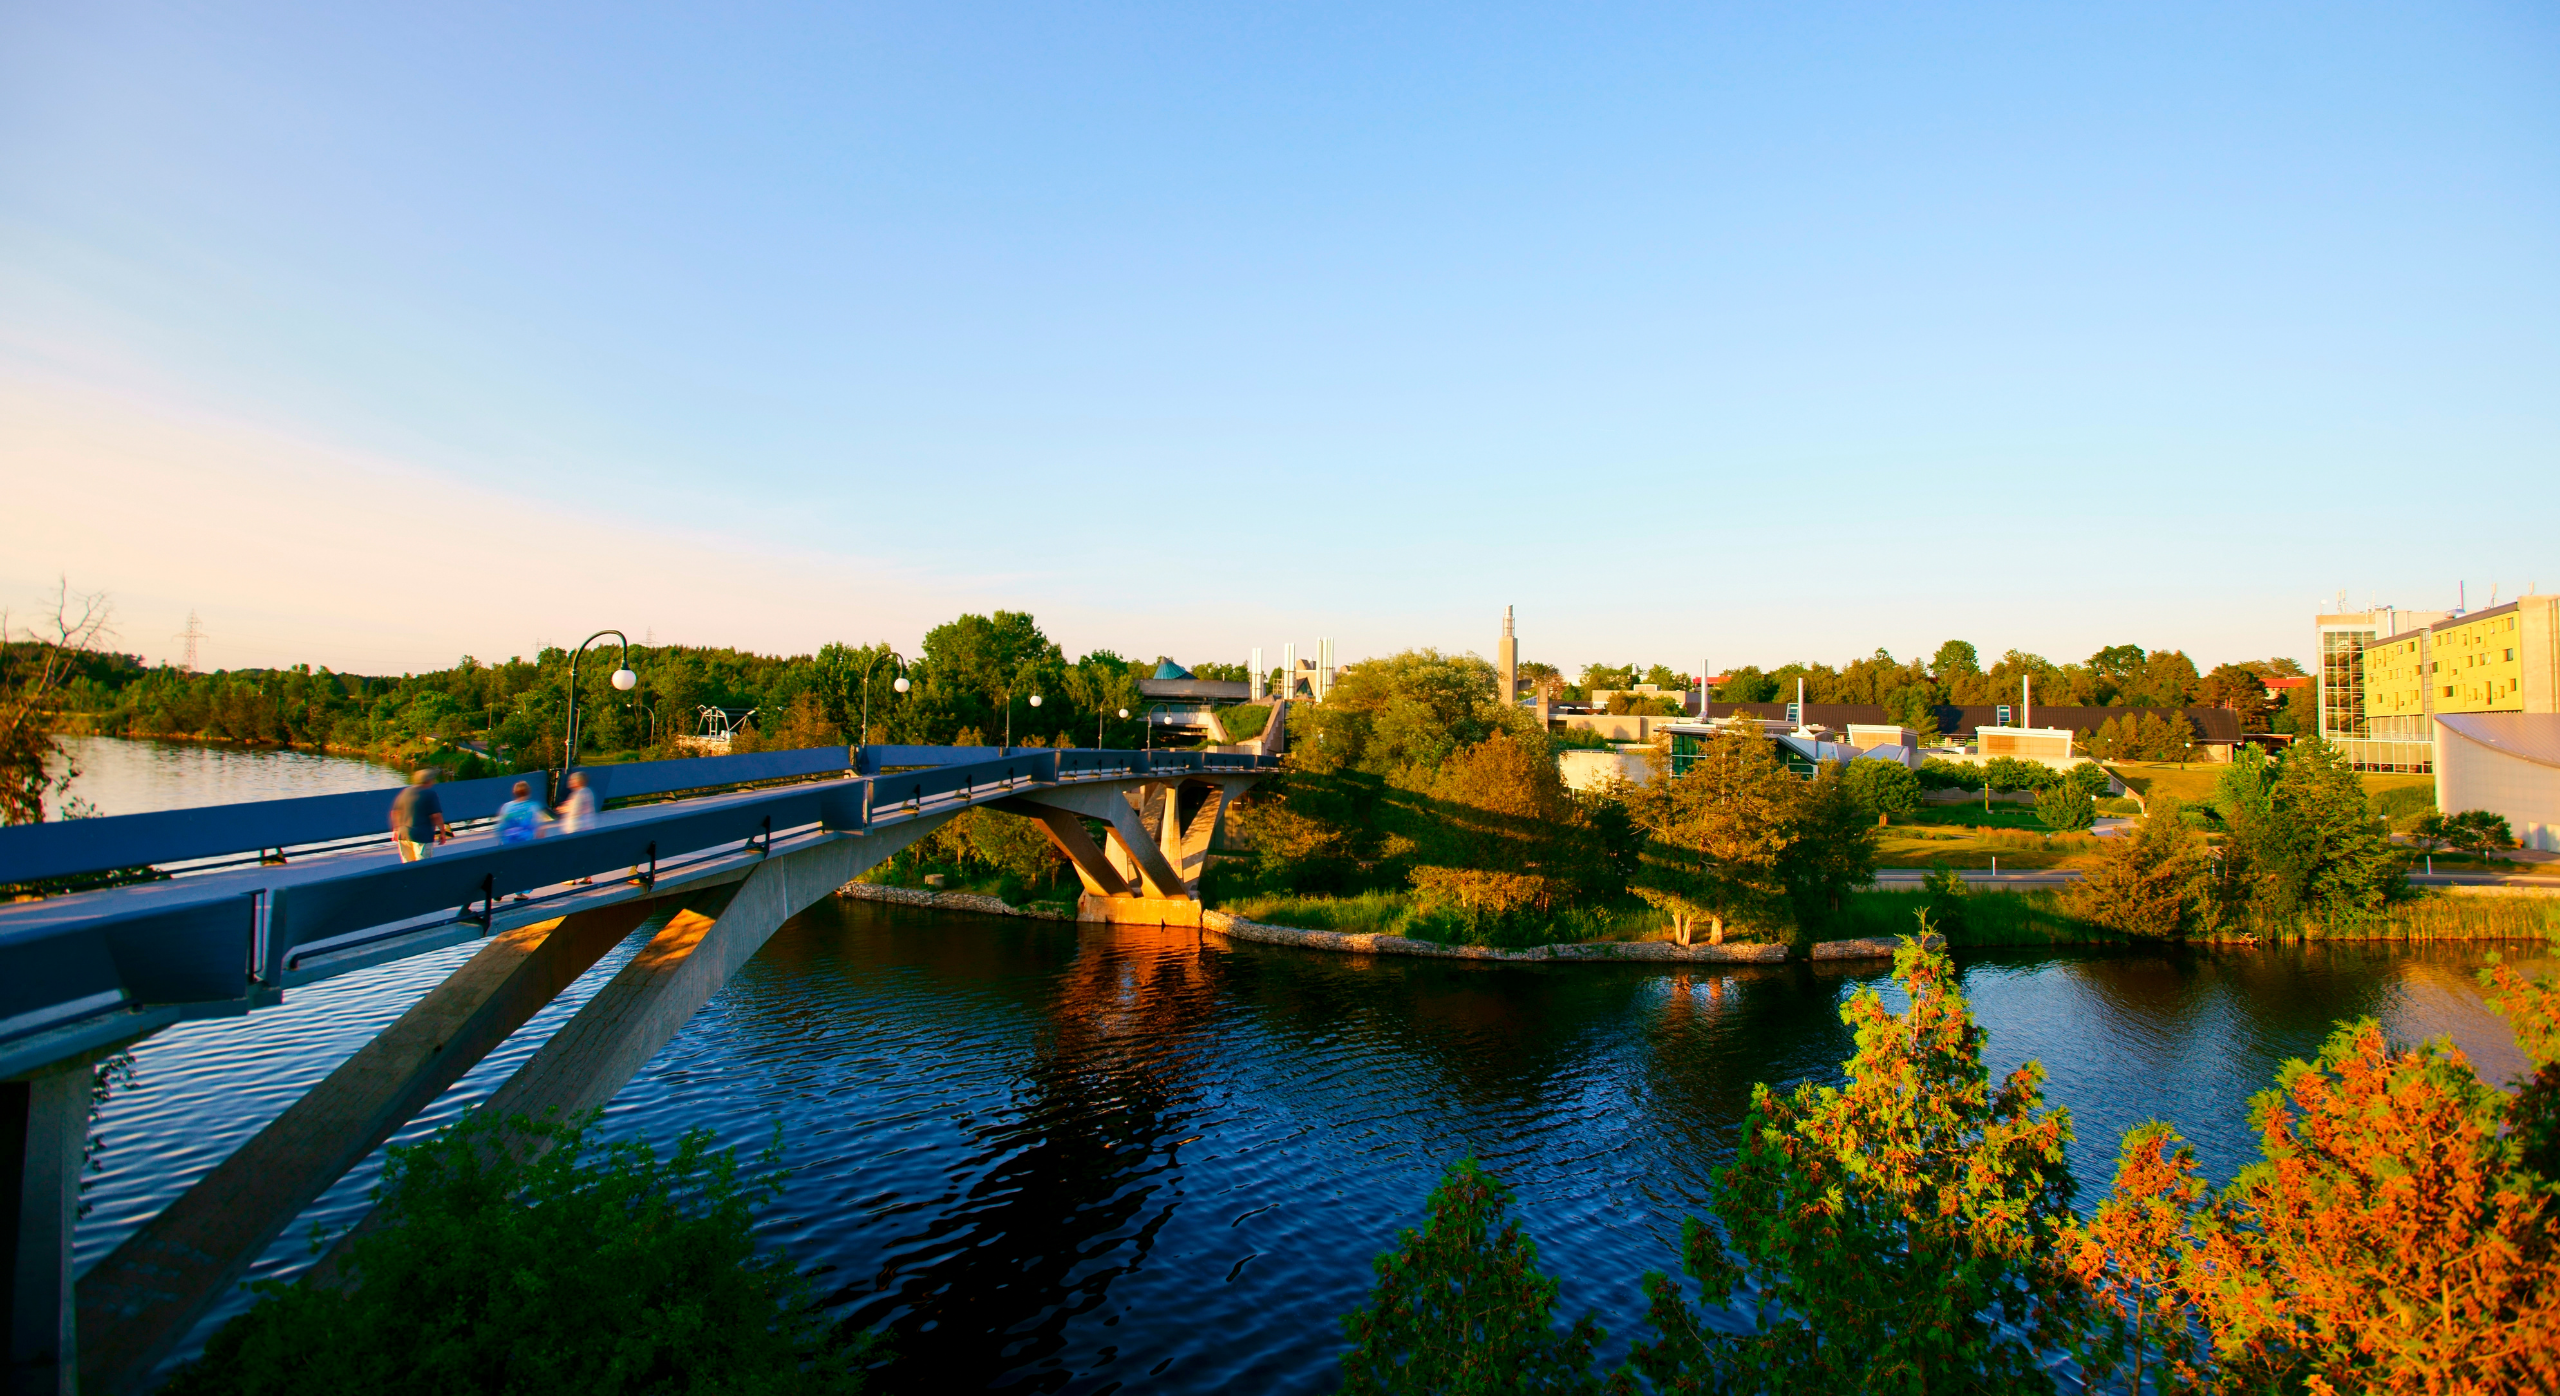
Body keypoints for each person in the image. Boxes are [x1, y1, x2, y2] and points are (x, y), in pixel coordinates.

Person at [390, 769, 450, 862]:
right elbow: (436, 815)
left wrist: (396, 829)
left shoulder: (405, 792)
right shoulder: (430, 794)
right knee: (422, 865)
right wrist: (442, 831)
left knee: (407, 865)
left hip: (403, 834)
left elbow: (395, 812)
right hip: (422, 836)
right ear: (429, 780)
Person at [495, 780, 548, 845]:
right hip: (527, 844)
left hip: (508, 844)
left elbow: (500, 828)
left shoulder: (506, 807)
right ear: (528, 792)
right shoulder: (533, 806)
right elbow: (540, 830)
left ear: (514, 793)